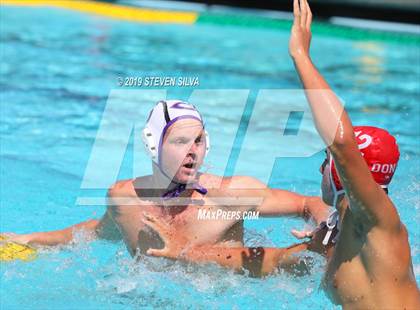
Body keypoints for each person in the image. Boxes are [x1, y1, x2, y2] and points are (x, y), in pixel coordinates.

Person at [144, 0, 420, 308]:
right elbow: (272, 263)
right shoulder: (342, 233)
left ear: (343, 171)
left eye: (325, 161)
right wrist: (185, 252)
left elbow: (342, 144)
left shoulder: (378, 221)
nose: (320, 171)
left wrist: (301, 55)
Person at [3, 100, 328, 273]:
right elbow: (98, 232)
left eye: (198, 141)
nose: (192, 151)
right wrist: (31, 238)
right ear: (153, 145)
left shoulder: (231, 195)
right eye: (180, 141)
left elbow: (307, 204)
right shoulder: (124, 198)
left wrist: (326, 225)